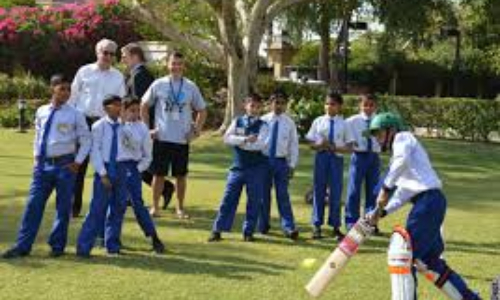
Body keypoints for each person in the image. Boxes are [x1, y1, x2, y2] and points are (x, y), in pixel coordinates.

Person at [365, 112, 481, 300]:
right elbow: (403, 193)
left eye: (379, 134)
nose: (377, 139)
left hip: (428, 203)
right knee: (430, 262)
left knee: (401, 254)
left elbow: (399, 166)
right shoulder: (402, 159)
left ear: (391, 130)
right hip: (430, 203)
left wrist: (386, 188)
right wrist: (382, 212)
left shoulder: (403, 138)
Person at [2, 74, 91, 259]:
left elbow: (86, 140)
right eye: (62, 89)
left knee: (63, 208)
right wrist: (36, 157)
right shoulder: (42, 111)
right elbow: (38, 136)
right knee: (33, 206)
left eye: (68, 89)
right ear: (53, 89)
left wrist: (78, 162)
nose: (66, 93)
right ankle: (22, 246)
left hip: (65, 167)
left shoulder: (76, 114)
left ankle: (57, 246)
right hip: (42, 167)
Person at [141, 51, 207, 218]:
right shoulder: (159, 84)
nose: (176, 67)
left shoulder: (190, 86)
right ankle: (155, 207)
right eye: (173, 63)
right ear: (167, 64)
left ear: (184, 66)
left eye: (179, 64)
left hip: (182, 140)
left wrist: (196, 130)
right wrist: (147, 129)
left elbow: (202, 110)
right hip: (162, 138)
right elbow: (143, 105)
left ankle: (180, 208)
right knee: (158, 175)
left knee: (180, 176)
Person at [70, 38, 126, 218]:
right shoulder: (84, 71)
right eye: (105, 52)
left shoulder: (118, 76)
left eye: (111, 53)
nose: (108, 56)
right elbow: (73, 97)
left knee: (105, 166)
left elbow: (121, 103)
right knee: (79, 165)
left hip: (105, 124)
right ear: (97, 53)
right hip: (83, 122)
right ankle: (74, 207)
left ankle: (102, 208)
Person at [121, 42, 174, 209]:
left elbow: (140, 103)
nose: (122, 59)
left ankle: (165, 187)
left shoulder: (140, 75)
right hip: (137, 124)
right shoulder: (135, 74)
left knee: (138, 161)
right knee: (133, 160)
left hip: (141, 125)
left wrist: (139, 124)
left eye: (125, 56)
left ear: (135, 56)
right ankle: (131, 194)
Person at [208, 94, 268, 242]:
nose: (254, 109)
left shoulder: (264, 126)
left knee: (253, 201)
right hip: (238, 167)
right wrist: (245, 140)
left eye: (257, 106)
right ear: (245, 106)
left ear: (261, 108)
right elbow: (227, 138)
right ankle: (217, 230)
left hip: (256, 168)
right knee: (228, 199)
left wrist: (240, 143)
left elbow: (260, 145)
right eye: (251, 105)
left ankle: (248, 232)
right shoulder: (237, 121)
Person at [76, 95, 127, 257]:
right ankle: (84, 247)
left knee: (118, 209)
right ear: (106, 108)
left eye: (121, 105)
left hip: (120, 168)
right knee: (97, 209)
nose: (119, 108)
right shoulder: (99, 126)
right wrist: (102, 174)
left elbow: (131, 147)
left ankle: (112, 246)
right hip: (104, 168)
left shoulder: (125, 126)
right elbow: (95, 151)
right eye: (115, 105)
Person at [119, 97, 165, 253]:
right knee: (115, 204)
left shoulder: (142, 128)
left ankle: (154, 237)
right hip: (116, 167)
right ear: (123, 110)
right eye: (132, 110)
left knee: (138, 204)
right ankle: (107, 237)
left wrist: (136, 170)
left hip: (133, 168)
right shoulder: (114, 126)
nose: (136, 114)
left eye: (137, 110)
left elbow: (147, 156)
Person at [306, 92, 354, 241]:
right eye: (326, 103)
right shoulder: (318, 121)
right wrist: (320, 145)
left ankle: (335, 226)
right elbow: (311, 144)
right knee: (319, 190)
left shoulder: (344, 124)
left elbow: (350, 147)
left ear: (339, 106)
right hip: (321, 158)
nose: (328, 107)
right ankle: (316, 225)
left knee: (336, 192)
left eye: (332, 104)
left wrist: (335, 148)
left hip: (336, 159)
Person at [258, 91, 299, 240]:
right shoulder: (262, 120)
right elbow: (257, 142)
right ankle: (263, 224)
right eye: (276, 102)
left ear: (286, 105)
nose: (279, 106)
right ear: (270, 104)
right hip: (264, 161)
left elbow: (293, 145)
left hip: (281, 162)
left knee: (283, 195)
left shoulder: (289, 123)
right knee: (263, 195)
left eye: (282, 103)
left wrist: (292, 165)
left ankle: (288, 227)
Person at [344, 94, 381, 232]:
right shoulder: (352, 121)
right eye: (365, 105)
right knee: (354, 190)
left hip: (374, 157)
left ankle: (370, 222)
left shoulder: (380, 121)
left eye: (371, 105)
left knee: (373, 191)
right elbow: (346, 137)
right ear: (360, 106)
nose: (368, 108)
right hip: (359, 156)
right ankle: (351, 222)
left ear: (375, 106)